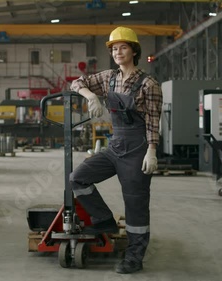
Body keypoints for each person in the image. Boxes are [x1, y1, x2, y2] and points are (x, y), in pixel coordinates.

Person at [69, 26, 163, 274]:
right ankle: (104, 221)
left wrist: (151, 151)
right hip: (116, 146)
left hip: (138, 149)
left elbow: (153, 120)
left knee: (135, 206)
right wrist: (91, 96)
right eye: (113, 49)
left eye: (123, 47)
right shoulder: (109, 78)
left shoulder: (148, 83)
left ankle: (134, 257)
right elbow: (76, 82)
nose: (117, 52)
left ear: (134, 51)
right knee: (77, 178)